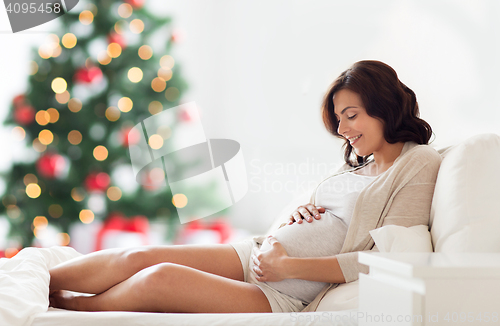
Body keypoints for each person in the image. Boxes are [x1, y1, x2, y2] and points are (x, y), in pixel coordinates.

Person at [49, 60, 441, 314]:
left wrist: (287, 265)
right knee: (139, 257)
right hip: (255, 253)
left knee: (159, 278)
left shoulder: (417, 163)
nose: (342, 130)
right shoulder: (361, 164)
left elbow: (387, 260)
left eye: (351, 115)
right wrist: (301, 212)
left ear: (385, 106)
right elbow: (335, 215)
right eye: (339, 119)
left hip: (285, 292)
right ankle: (40, 280)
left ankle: (70, 307)